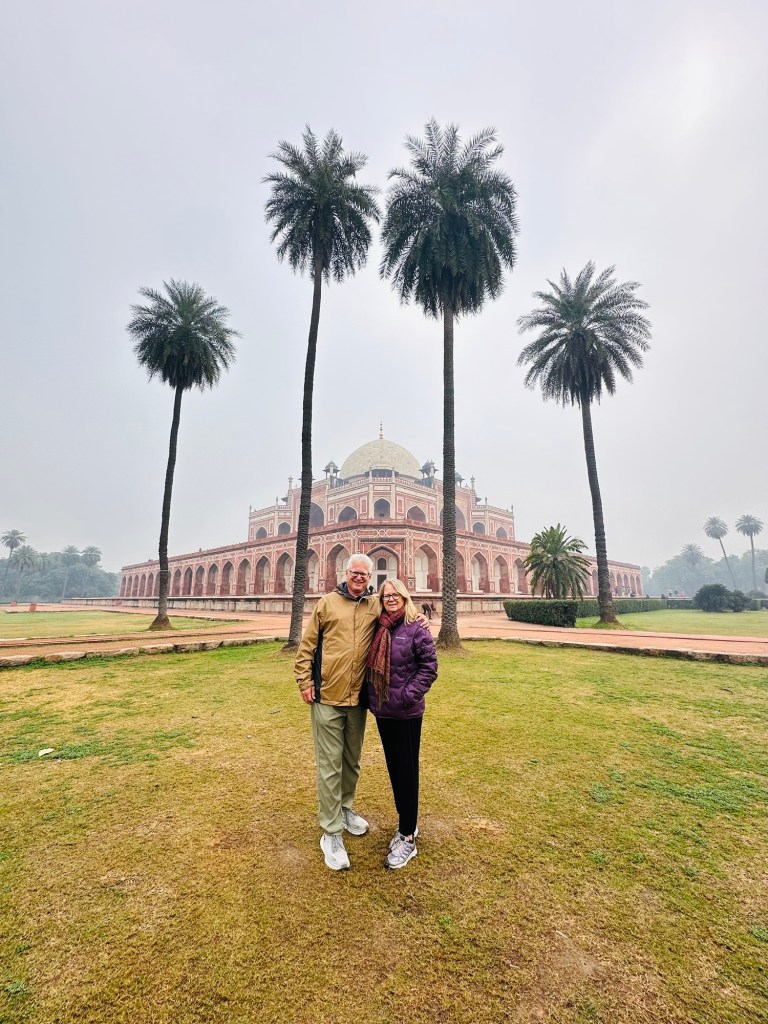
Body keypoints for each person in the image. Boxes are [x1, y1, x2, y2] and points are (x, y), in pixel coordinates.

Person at [294, 553, 380, 871]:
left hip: (358, 699)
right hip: (328, 697)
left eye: (364, 574)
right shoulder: (327, 603)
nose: (359, 577)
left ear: (370, 577)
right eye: (354, 572)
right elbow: (307, 646)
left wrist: (421, 620)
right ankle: (330, 832)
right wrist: (305, 681)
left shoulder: (374, 605)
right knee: (330, 765)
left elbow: (402, 614)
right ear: (345, 573)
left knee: (351, 761)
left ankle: (344, 809)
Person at [365, 578, 438, 869]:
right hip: (384, 711)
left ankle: (407, 837)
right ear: (381, 600)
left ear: (405, 597)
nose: (392, 599)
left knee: (406, 772)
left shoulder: (416, 627)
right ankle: (408, 822)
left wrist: (407, 696)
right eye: (387, 596)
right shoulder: (379, 626)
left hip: (406, 712)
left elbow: (429, 669)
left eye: (396, 595)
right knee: (396, 770)